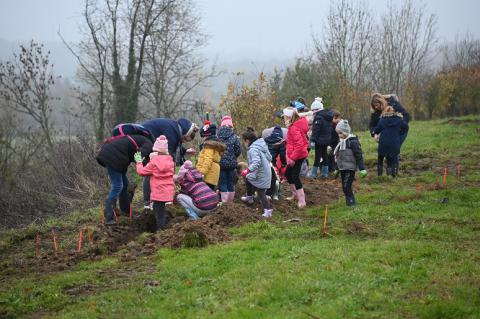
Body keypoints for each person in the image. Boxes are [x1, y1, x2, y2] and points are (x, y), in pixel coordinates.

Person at [141, 118, 199, 209]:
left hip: (146, 143)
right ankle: (149, 203)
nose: (183, 142)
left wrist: (185, 150)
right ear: (185, 133)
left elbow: (174, 146)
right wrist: (171, 176)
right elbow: (168, 155)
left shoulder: (175, 128)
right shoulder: (172, 132)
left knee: (155, 173)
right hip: (142, 143)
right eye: (185, 139)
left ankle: (152, 202)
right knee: (151, 173)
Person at [96, 133, 153, 225]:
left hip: (112, 154)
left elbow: (137, 155)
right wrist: (143, 166)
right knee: (118, 185)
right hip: (114, 156)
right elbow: (139, 155)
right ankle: (109, 217)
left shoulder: (141, 139)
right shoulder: (149, 144)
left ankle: (125, 210)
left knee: (125, 184)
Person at [133, 135, 174, 230]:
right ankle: (165, 224)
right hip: (168, 192)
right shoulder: (170, 160)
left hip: (158, 193)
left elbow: (141, 172)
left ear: (156, 150)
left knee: (158, 213)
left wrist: (139, 162)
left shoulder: (153, 163)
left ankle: (161, 231)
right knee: (159, 210)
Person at [369, 94, 410, 176]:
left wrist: (398, 127)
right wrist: (375, 134)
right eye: (374, 106)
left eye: (377, 105)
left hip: (399, 132)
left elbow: (406, 116)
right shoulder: (375, 113)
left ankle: (393, 175)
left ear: (381, 102)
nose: (376, 108)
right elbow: (372, 126)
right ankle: (388, 174)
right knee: (386, 151)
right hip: (385, 134)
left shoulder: (394, 105)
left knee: (393, 151)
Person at [239, 128, 273, 218]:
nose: (244, 143)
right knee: (248, 178)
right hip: (264, 172)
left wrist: (248, 170)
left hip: (261, 174)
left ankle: (268, 211)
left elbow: (256, 162)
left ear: (247, 140)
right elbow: (270, 157)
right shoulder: (261, 145)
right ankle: (249, 197)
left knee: (261, 193)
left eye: (244, 141)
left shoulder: (253, 149)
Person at [333, 120, 367, 206]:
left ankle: (351, 203)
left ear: (345, 132)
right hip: (342, 168)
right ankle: (348, 202)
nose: (339, 135)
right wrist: (337, 169)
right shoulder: (341, 143)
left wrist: (362, 169)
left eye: (340, 133)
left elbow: (359, 156)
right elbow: (339, 158)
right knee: (344, 187)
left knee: (346, 186)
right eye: (338, 133)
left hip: (350, 168)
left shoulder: (353, 142)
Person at [283, 107, 309, 208]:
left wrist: (293, 158)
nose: (283, 118)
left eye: (284, 116)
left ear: (288, 117)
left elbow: (300, 144)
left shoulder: (294, 128)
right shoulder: (293, 126)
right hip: (294, 154)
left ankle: (302, 200)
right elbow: (294, 141)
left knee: (294, 176)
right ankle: (295, 194)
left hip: (298, 155)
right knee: (287, 174)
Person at [217, 116, 241, 203]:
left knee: (222, 182)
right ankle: (230, 202)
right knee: (230, 182)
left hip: (221, 163)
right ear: (231, 125)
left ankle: (224, 202)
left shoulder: (217, 136)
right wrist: (234, 157)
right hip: (231, 164)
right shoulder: (234, 136)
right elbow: (238, 150)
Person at [196, 121, 226, 190]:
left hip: (208, 174)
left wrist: (202, 173)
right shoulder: (214, 145)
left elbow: (207, 160)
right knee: (210, 191)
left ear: (207, 135)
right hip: (213, 173)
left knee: (206, 192)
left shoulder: (209, 146)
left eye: (204, 136)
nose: (203, 138)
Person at [309, 102, 334, 178]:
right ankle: (324, 173)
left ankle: (313, 173)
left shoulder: (318, 117)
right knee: (324, 155)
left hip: (319, 140)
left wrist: (312, 140)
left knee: (317, 156)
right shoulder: (328, 116)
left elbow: (316, 130)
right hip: (327, 139)